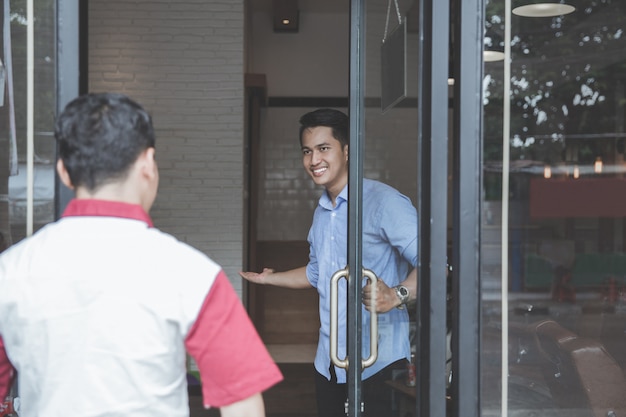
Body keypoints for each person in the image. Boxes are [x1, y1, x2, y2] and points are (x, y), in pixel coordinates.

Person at [0, 93, 283, 417]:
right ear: (148, 164)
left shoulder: (10, 271)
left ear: (63, 171)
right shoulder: (193, 274)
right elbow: (242, 404)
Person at [240, 108, 418, 417]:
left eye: (324, 148)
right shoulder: (323, 211)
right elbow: (318, 273)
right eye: (307, 151)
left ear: (347, 151)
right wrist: (270, 278)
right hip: (330, 364)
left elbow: (434, 265)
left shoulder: (384, 202)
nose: (313, 160)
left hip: (379, 363)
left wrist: (397, 294)